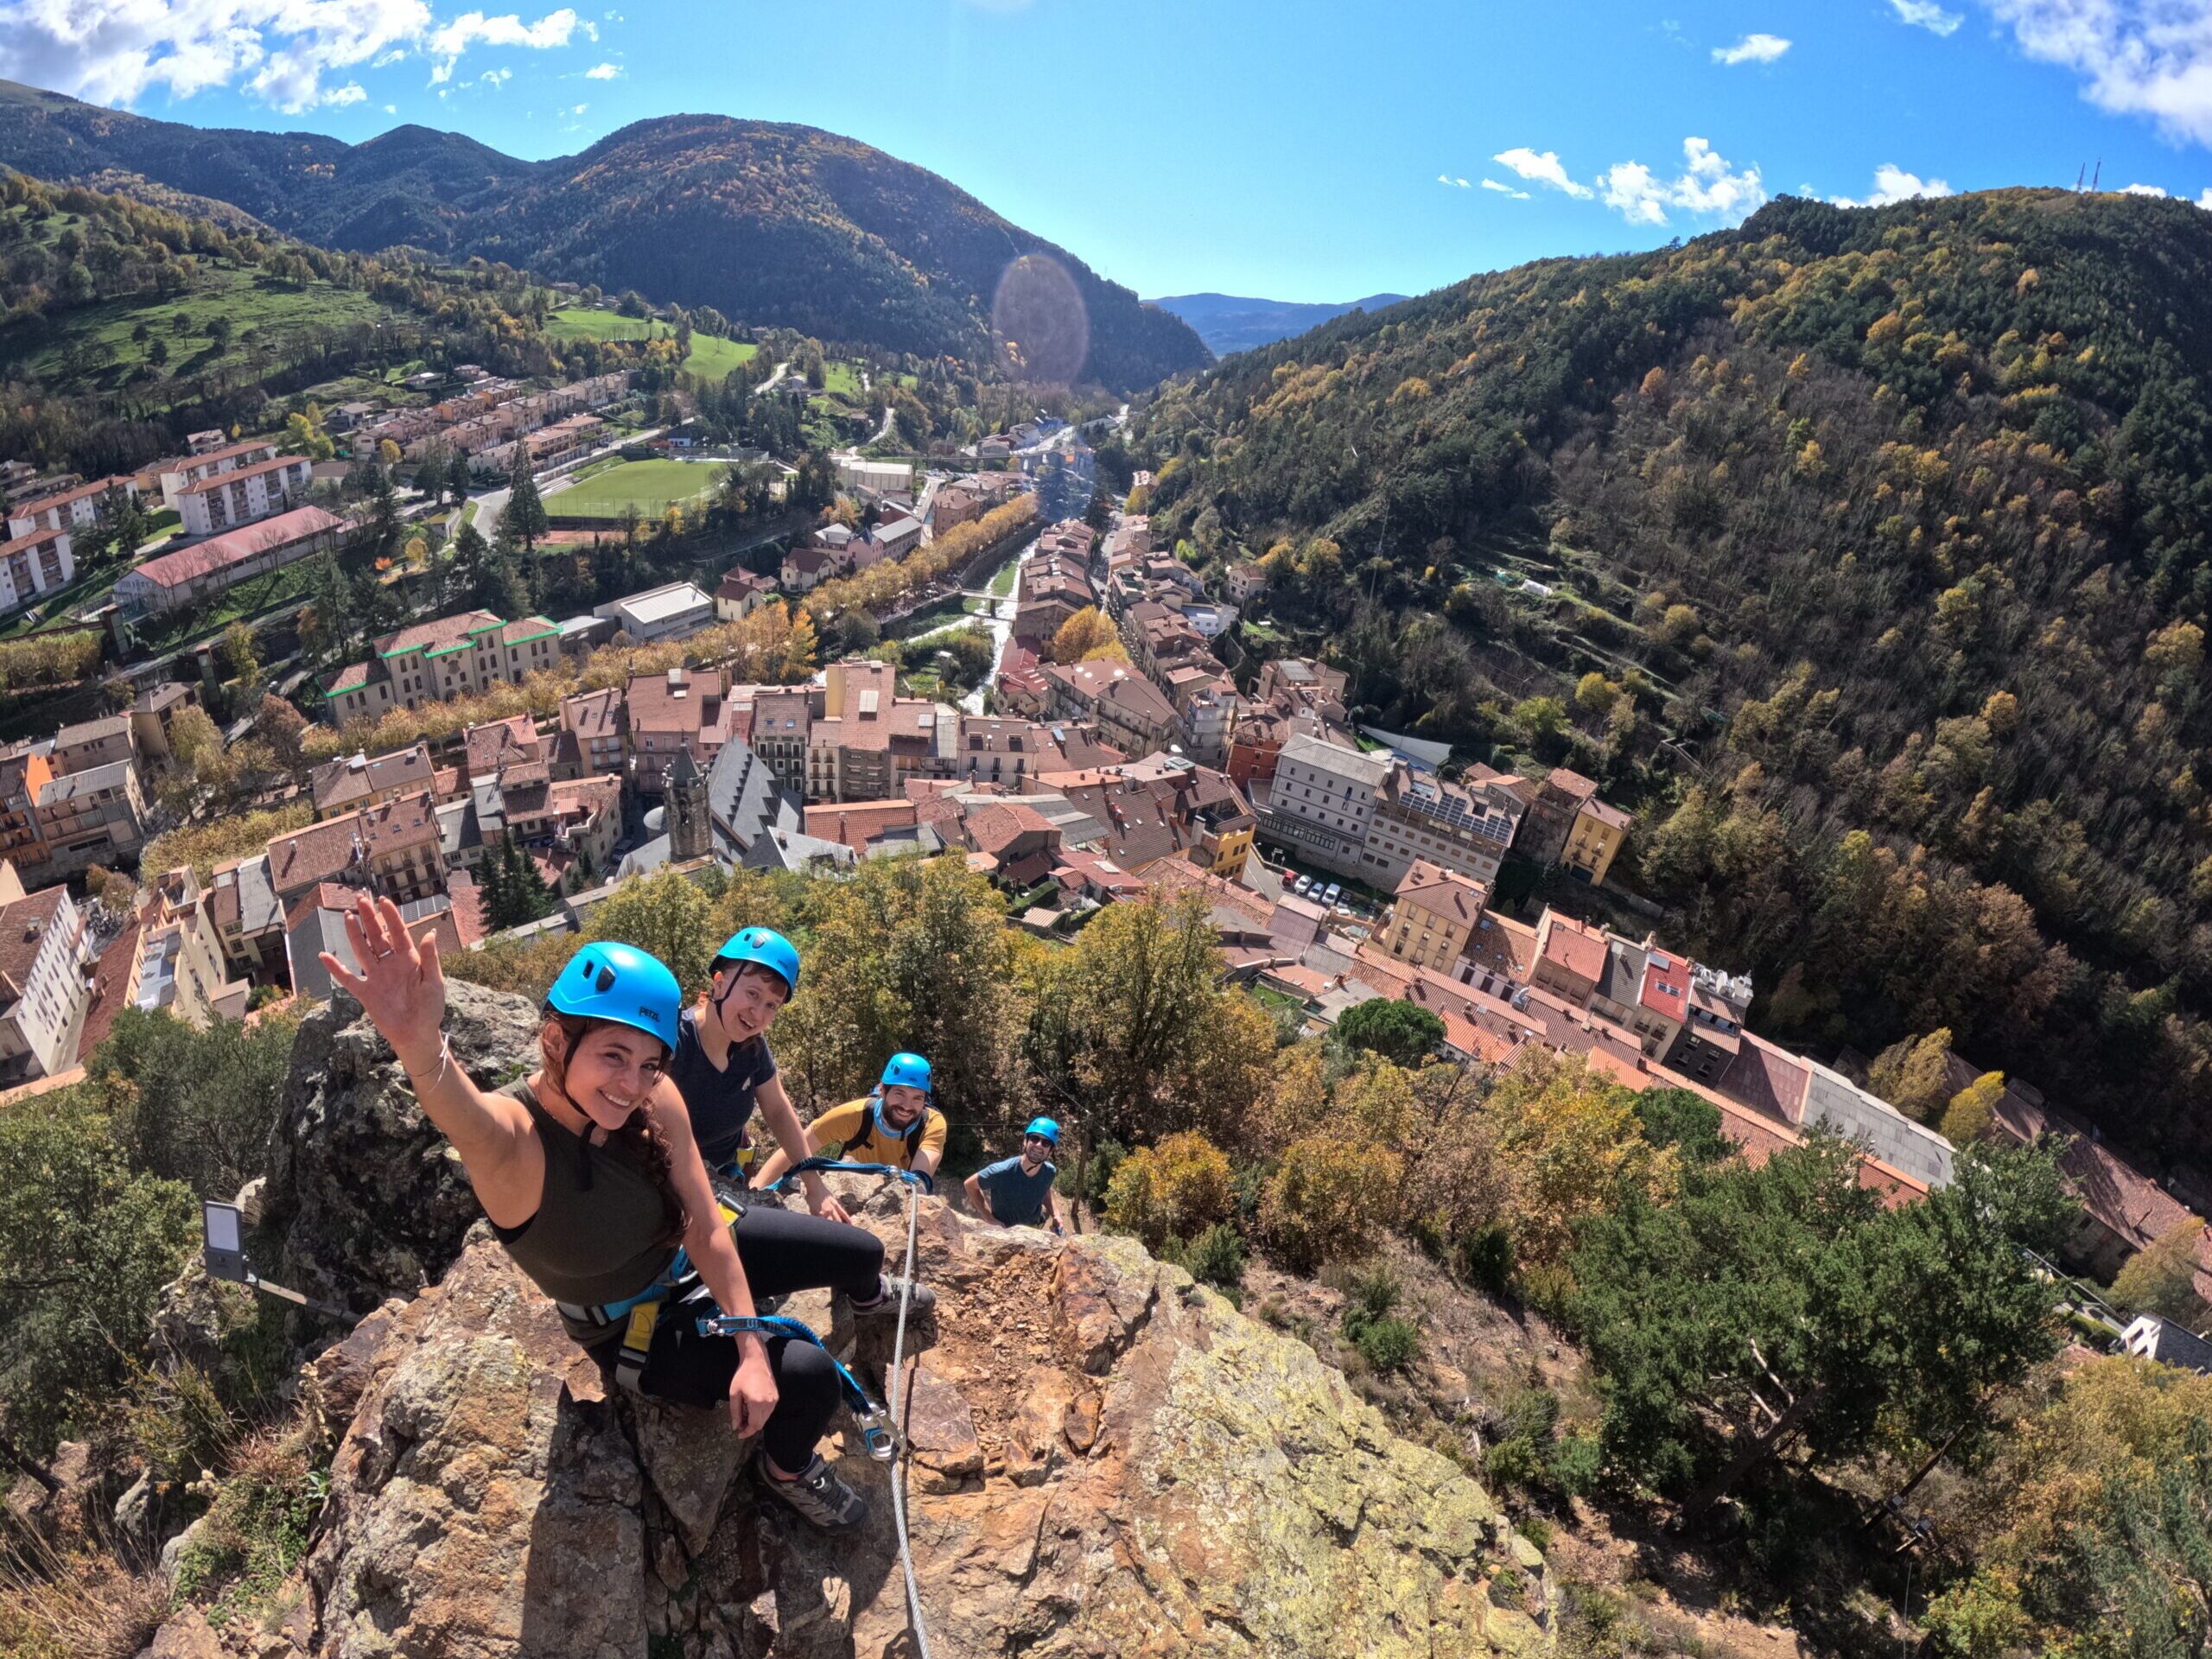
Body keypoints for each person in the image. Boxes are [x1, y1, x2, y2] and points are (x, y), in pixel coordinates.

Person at [322, 897, 878, 1530]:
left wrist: (749, 1344)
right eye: (612, 1056)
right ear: (558, 1041)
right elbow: (464, 1116)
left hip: (688, 1254)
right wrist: (419, 1046)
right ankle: (786, 1469)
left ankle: (869, 1311)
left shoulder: (656, 1098)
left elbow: (703, 1221)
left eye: (648, 1063)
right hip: (635, 1326)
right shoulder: (515, 1146)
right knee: (809, 1378)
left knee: (861, 1251)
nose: (630, 1084)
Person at [753, 1052, 948, 1192]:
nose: (907, 1106)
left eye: (917, 1098)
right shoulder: (855, 1115)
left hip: (896, 1196)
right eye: (900, 1094)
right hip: (850, 1190)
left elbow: (919, 1177)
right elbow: (795, 1147)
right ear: (882, 1091)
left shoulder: (932, 1124)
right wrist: (754, 1191)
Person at [965, 1117, 1068, 1234]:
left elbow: (1045, 1190)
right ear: (1025, 1141)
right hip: (1006, 1231)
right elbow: (970, 1185)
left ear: (1051, 1150)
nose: (1039, 1145)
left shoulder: (1049, 1172)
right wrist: (989, 1219)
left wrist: (1056, 1214)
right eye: (1035, 1139)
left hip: (1033, 1228)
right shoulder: (1002, 1171)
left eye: (1046, 1142)